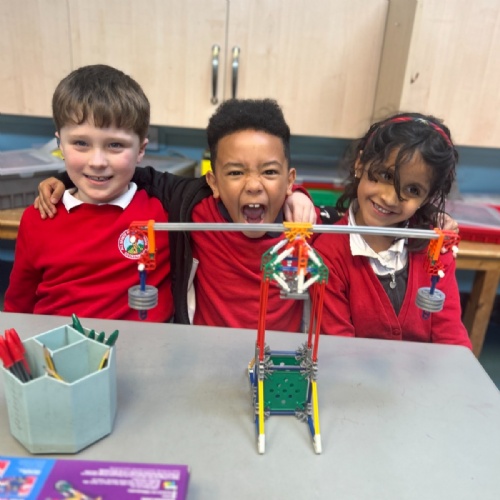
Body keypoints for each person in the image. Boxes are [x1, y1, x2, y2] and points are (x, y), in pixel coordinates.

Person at [34, 99, 319, 331]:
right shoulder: (193, 205)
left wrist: (299, 196)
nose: (254, 185)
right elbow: (138, 175)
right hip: (204, 355)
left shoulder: (306, 223)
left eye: (269, 171)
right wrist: (65, 178)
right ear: (213, 183)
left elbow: (338, 219)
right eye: (235, 172)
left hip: (279, 358)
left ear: (289, 180)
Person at [3, 64, 173, 321]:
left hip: (145, 345)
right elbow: (18, 309)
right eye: (81, 143)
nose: (97, 162)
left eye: (115, 145)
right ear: (60, 144)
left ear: (141, 150)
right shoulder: (38, 218)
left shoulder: (165, 212)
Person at [313, 112, 472, 348]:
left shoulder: (435, 248)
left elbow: (451, 336)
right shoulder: (328, 252)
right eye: (385, 175)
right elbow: (339, 347)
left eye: (413, 190)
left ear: (427, 197)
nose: (389, 198)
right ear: (360, 164)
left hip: (424, 369)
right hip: (353, 368)